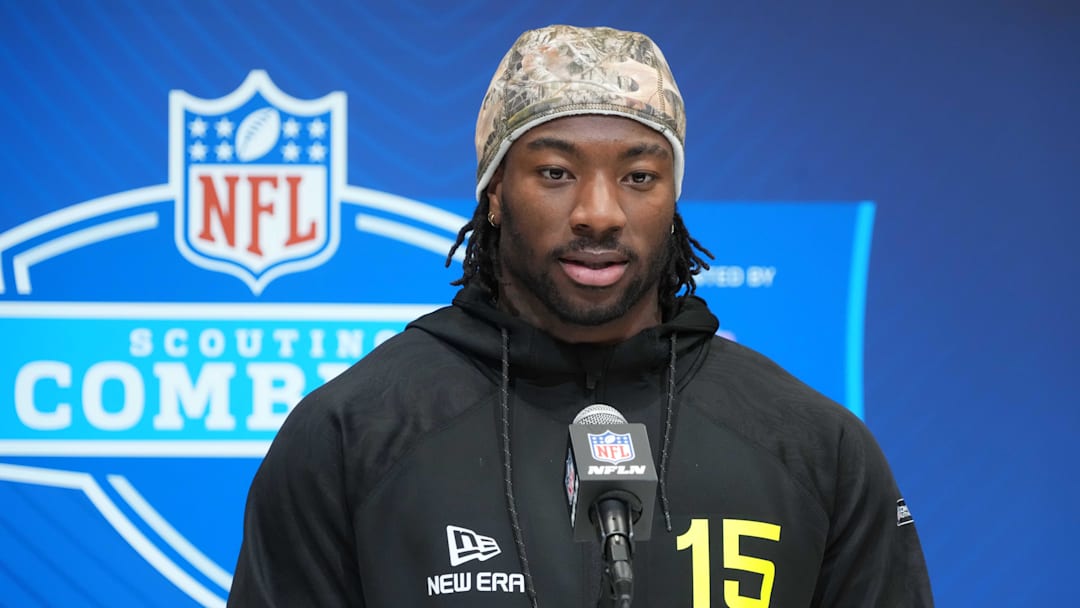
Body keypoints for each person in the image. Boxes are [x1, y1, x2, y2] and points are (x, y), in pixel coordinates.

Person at [228, 24, 934, 607]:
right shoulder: (353, 435)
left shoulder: (814, 448)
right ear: (496, 192)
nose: (599, 213)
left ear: (673, 197)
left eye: (638, 177)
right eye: (556, 172)